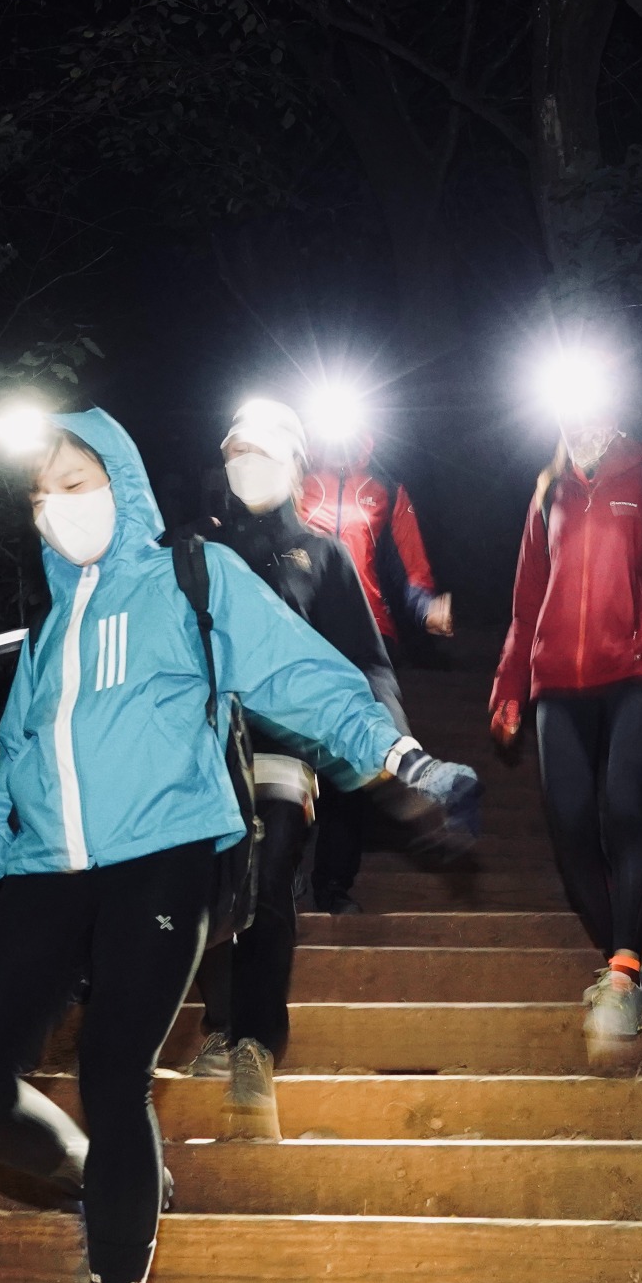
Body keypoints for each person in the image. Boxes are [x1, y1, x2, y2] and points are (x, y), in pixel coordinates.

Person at [0, 406, 483, 1283]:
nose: (58, 504)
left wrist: (402, 757)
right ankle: (106, 1184)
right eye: (41, 493)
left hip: (169, 859)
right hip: (51, 868)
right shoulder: (47, 635)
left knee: (113, 1069)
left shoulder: (192, 579)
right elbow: (8, 790)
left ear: (121, 478)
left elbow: (302, 676)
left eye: (77, 480)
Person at [185, 398, 476, 1139]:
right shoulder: (189, 549)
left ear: (294, 461)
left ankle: (255, 1044)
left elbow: (369, 668)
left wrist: (398, 757)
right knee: (215, 877)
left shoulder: (324, 556)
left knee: (271, 867)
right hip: (203, 746)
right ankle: (218, 1025)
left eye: (259, 448)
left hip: (291, 744)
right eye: (233, 448)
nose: (243, 459)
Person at [488, 398, 642, 1066]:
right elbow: (526, 601)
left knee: (623, 806)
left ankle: (622, 973)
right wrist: (508, 687)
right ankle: (620, 950)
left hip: (641, 669)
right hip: (556, 682)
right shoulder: (546, 494)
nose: (581, 424)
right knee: (568, 823)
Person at [298, 424, 453, 914]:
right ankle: (274, 881)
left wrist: (426, 605)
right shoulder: (294, 478)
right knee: (289, 757)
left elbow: (411, 569)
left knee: (351, 758)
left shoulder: (385, 487)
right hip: (298, 634)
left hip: (365, 634)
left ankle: (332, 887)